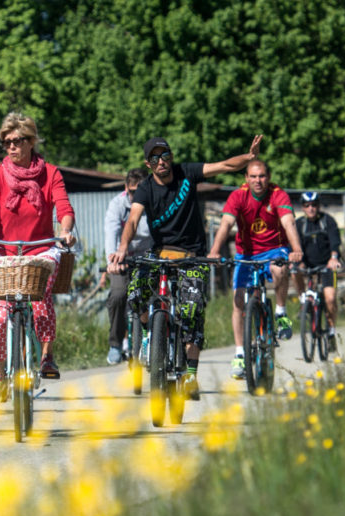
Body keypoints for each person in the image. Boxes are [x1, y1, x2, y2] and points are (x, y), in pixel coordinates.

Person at [107, 134, 266, 398]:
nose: (161, 162)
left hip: (192, 254)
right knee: (134, 293)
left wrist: (249, 158)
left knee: (192, 308)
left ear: (171, 157)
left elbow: (225, 166)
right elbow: (133, 220)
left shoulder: (187, 173)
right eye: (155, 158)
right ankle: (148, 334)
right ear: (148, 164)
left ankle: (191, 374)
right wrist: (123, 248)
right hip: (160, 253)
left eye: (165, 155)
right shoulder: (145, 188)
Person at [0, 112, 76, 405]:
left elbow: (63, 207)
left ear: (31, 141)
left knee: (40, 303)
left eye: (17, 141)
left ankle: (47, 357)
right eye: (6, 142)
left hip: (40, 249)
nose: (11, 147)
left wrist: (65, 231)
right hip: (4, 252)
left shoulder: (50, 173)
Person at [207, 159, 303, 379]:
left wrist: (296, 250)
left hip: (274, 249)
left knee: (280, 271)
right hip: (246, 254)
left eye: (261, 176)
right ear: (246, 178)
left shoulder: (278, 194)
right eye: (253, 176)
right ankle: (240, 353)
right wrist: (214, 250)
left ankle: (280, 312)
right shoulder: (238, 196)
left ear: (268, 178)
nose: (257, 180)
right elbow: (226, 224)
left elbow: (289, 223)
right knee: (239, 300)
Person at [103, 167, 150, 365]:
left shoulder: (154, 203)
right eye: (131, 191)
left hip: (147, 256)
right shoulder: (117, 204)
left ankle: (155, 338)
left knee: (153, 294)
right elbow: (111, 233)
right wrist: (111, 262)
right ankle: (115, 344)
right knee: (118, 295)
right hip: (121, 258)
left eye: (139, 191)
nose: (134, 196)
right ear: (125, 189)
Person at [292, 191, 342, 348]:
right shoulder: (299, 224)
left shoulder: (328, 221)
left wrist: (333, 258)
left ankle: (331, 331)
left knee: (330, 299)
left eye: (314, 205)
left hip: (326, 265)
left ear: (318, 206)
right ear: (303, 208)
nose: (311, 208)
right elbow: (294, 245)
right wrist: (295, 260)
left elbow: (335, 243)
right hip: (307, 264)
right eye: (307, 206)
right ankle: (303, 301)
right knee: (294, 271)